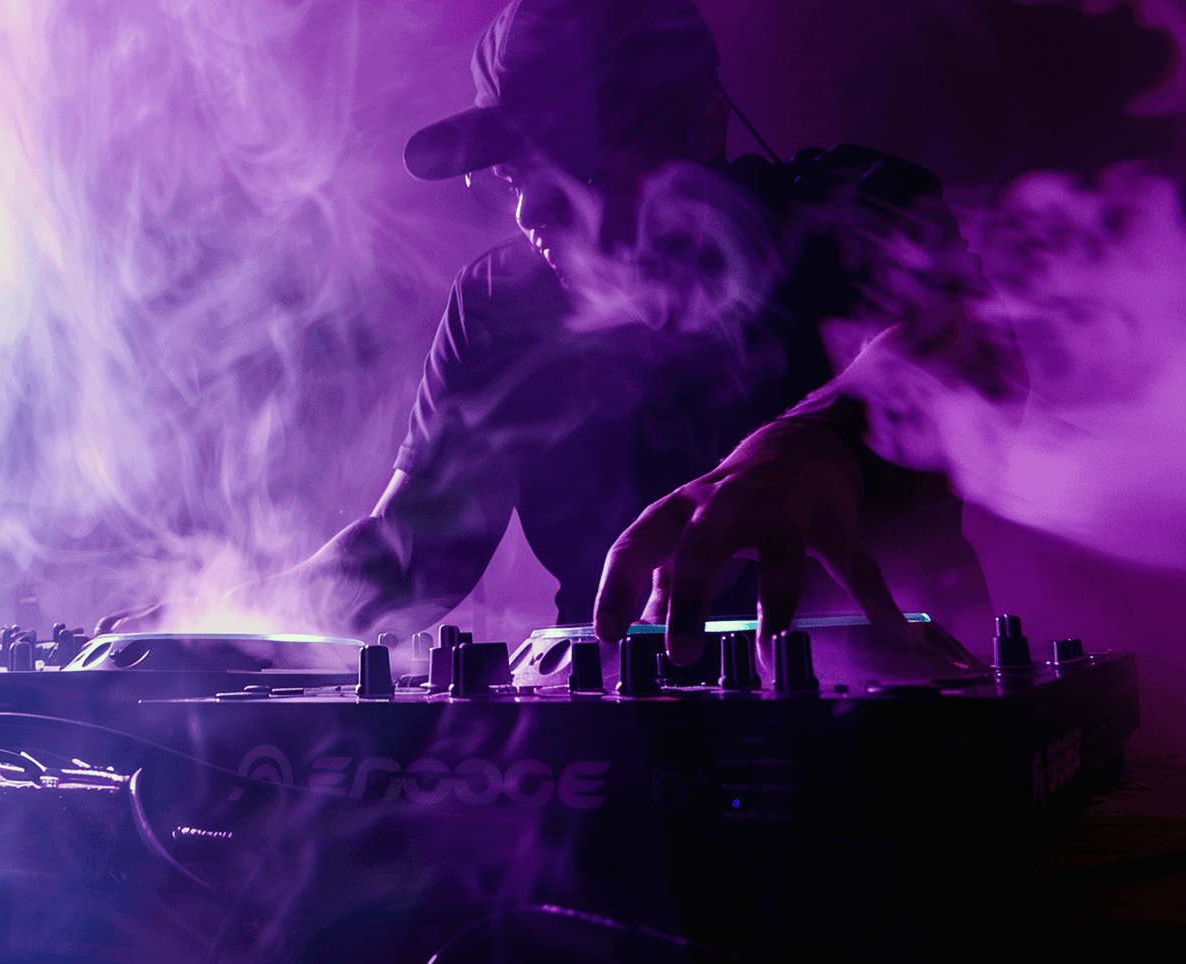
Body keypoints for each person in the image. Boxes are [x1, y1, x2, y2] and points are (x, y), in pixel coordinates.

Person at [106, 0, 1019, 677]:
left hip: (897, 694)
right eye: (506, 172)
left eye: (567, 158)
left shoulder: (856, 211)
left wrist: (817, 440)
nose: (530, 204)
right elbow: (419, 554)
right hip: (614, 712)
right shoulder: (500, 306)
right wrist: (232, 621)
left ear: (702, 125)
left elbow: (986, 347)